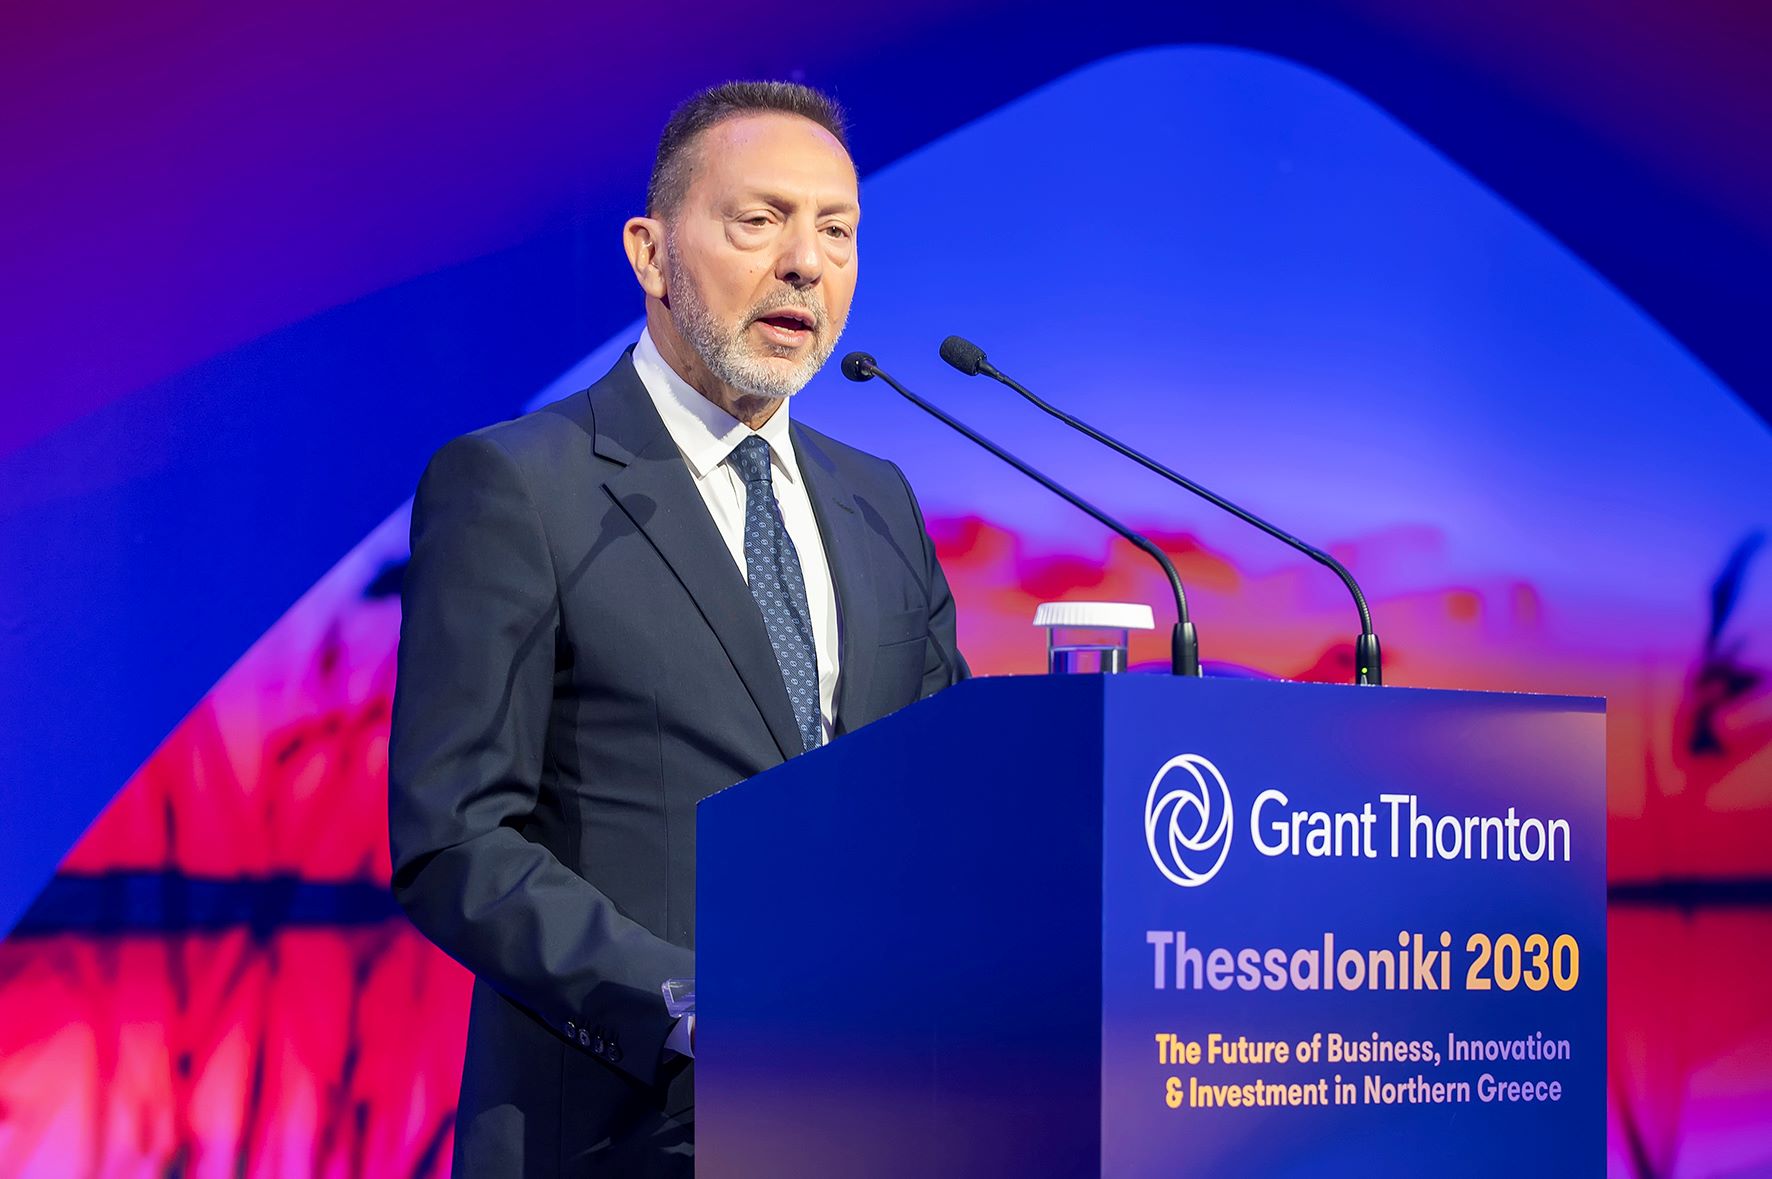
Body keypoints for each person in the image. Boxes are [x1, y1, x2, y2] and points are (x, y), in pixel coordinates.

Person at [387, 80, 969, 1176]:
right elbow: (454, 841)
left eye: (837, 231)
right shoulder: (520, 486)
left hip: (869, 1122)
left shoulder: (879, 501)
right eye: (759, 220)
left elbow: (947, 794)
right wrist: (691, 1006)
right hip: (625, 1131)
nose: (805, 262)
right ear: (650, 253)